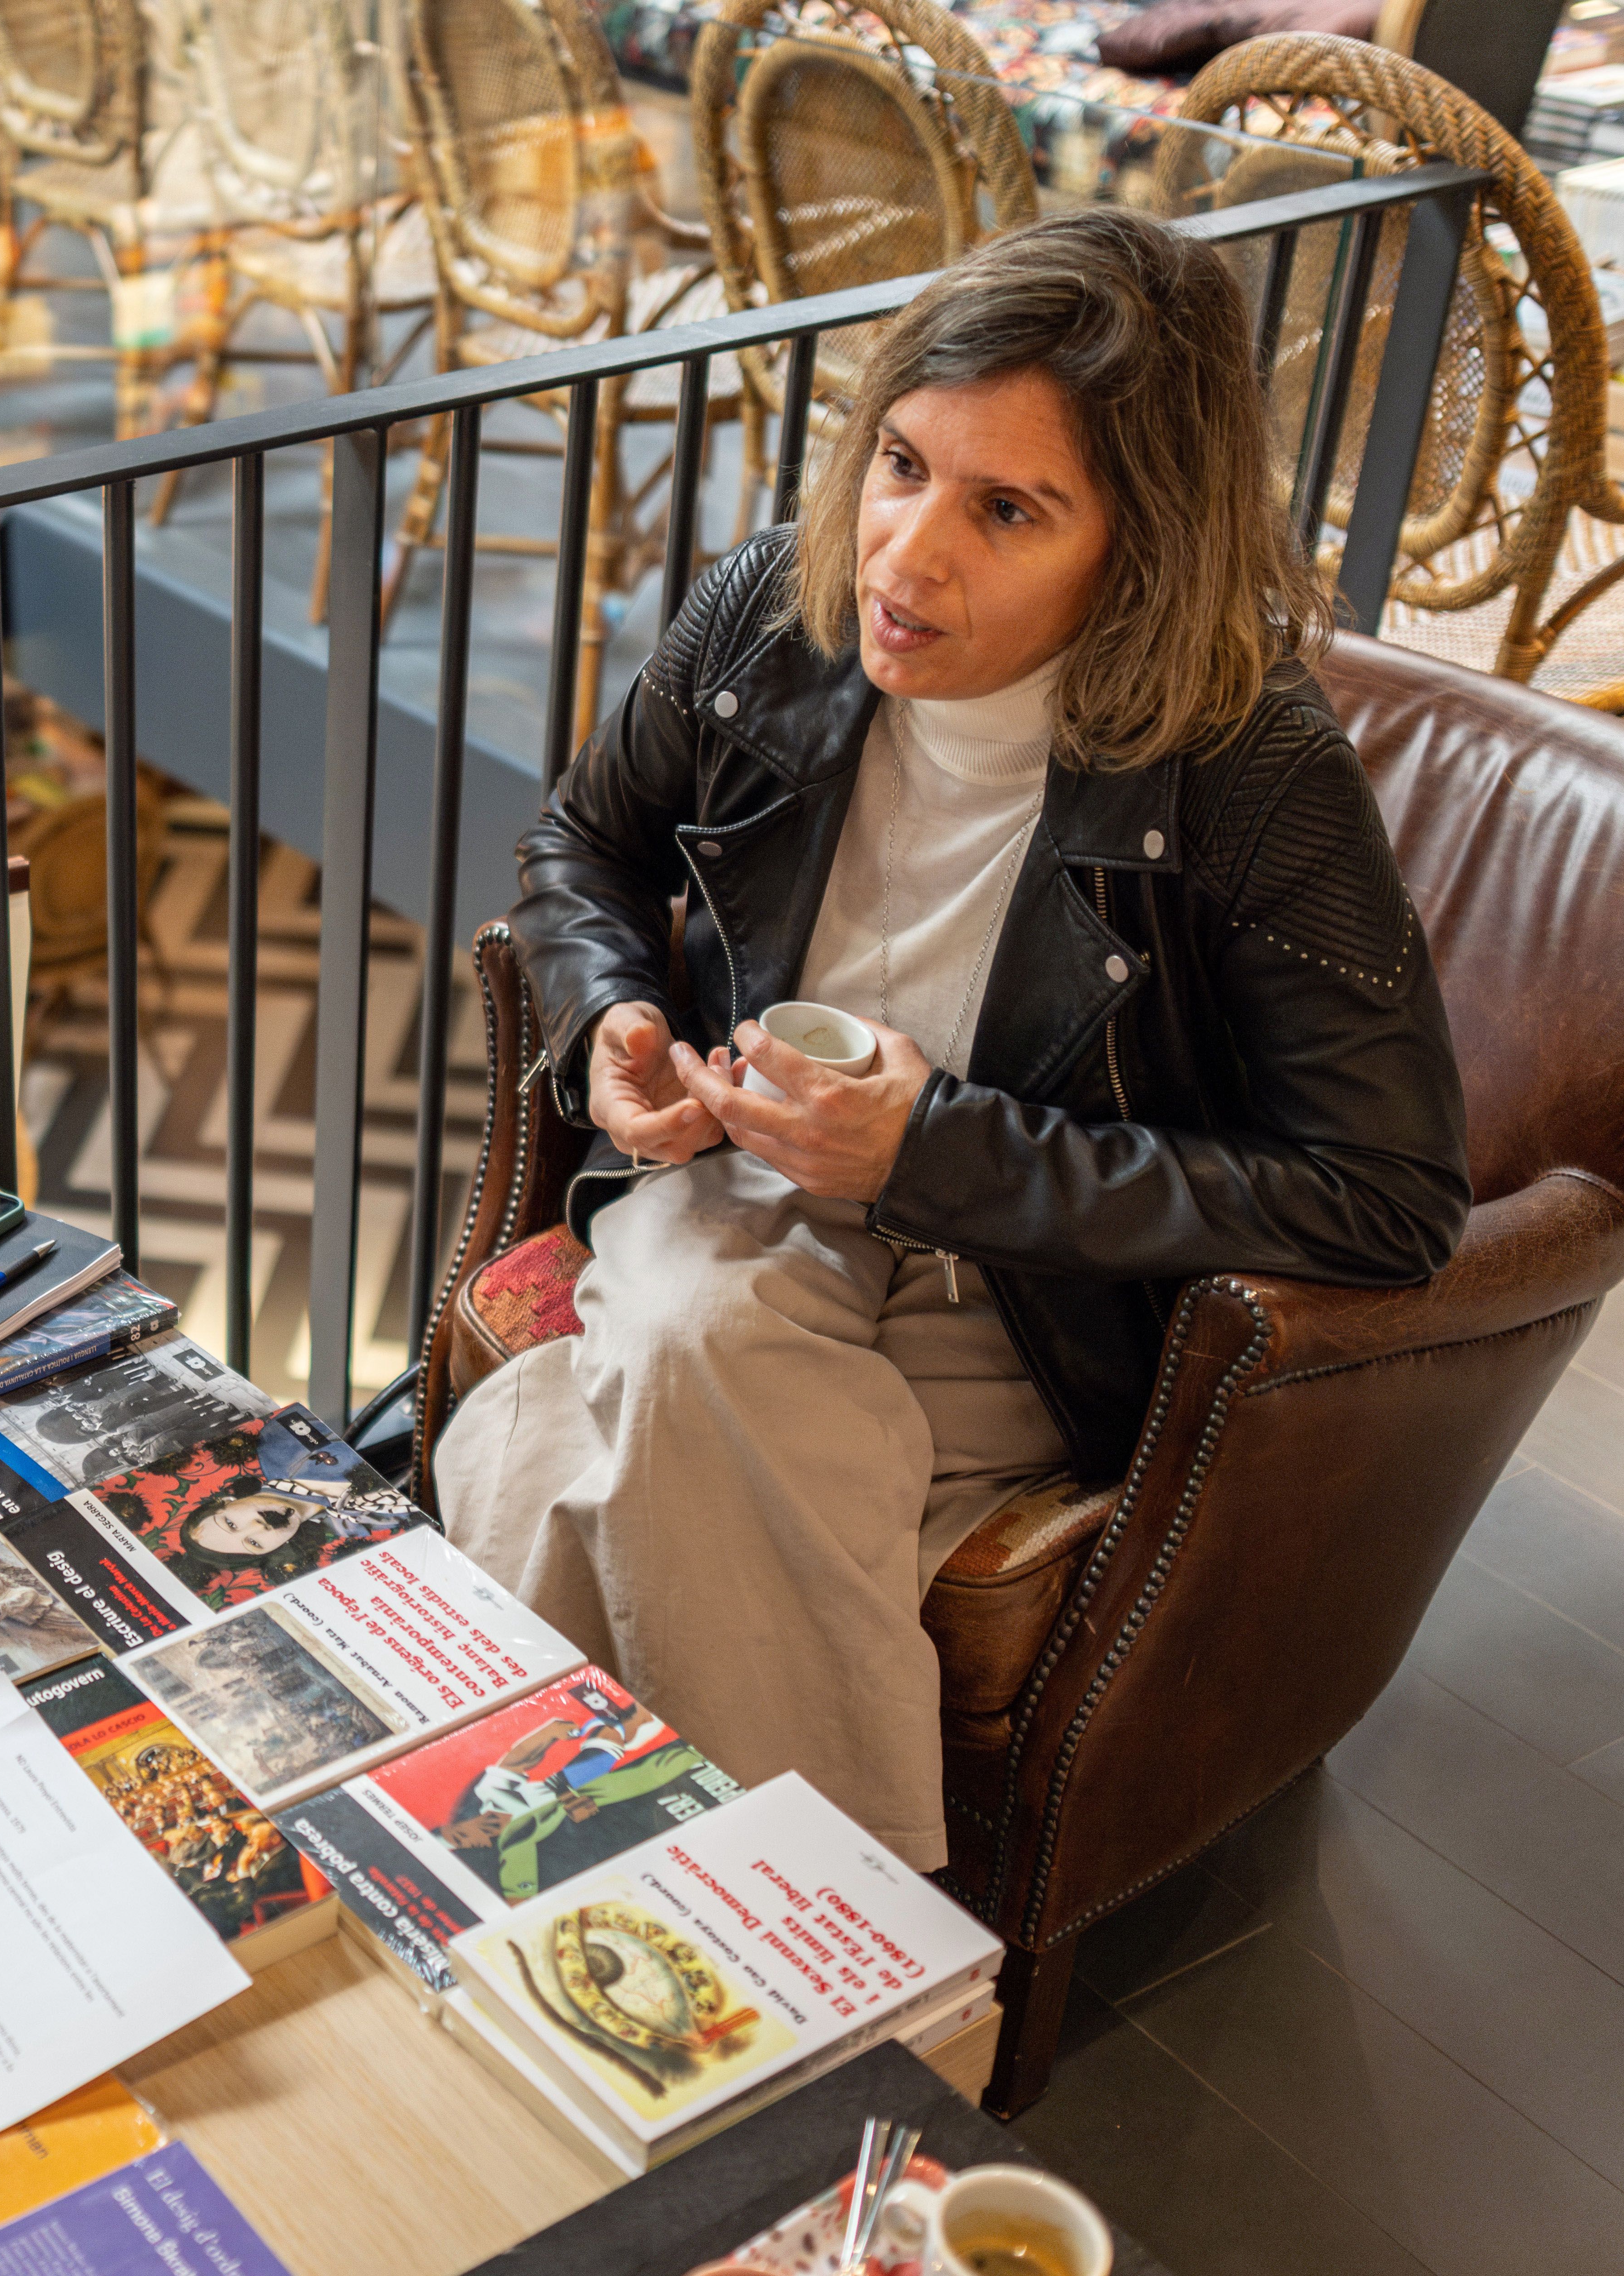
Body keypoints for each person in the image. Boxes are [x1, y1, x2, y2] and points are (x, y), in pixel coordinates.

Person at [431, 210, 1471, 1870]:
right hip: (750, 1190)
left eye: (1007, 509)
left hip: (1020, 1290)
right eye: (902, 463)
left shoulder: (1245, 767)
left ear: (1137, 547)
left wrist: (938, 1153)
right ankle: (833, 1941)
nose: (906, 558)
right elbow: (579, 848)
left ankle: (709, 1907)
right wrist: (616, 1016)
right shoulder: (769, 610)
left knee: (588, 1412)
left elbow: (1386, 1196)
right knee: (697, 1324)